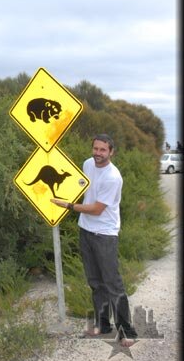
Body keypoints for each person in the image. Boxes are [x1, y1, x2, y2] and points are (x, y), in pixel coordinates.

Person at [51, 133, 137, 347]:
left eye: (103, 150)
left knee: (112, 283)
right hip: (86, 230)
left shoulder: (113, 177)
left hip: (105, 234)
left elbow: (97, 209)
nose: (98, 153)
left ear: (111, 152)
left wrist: (69, 206)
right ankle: (103, 324)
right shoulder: (88, 164)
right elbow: (80, 186)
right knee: (95, 282)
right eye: (95, 149)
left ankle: (128, 331)